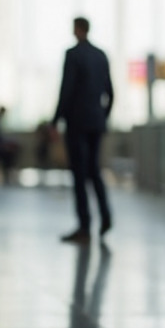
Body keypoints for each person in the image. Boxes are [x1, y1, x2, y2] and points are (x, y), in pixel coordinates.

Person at [52, 16, 114, 243]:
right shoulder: (101, 55)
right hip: (96, 122)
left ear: (77, 29)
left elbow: (66, 90)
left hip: (77, 123)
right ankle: (106, 216)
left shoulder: (73, 54)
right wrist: (102, 118)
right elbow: (110, 93)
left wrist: (55, 120)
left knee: (79, 174)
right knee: (94, 171)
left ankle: (84, 227)